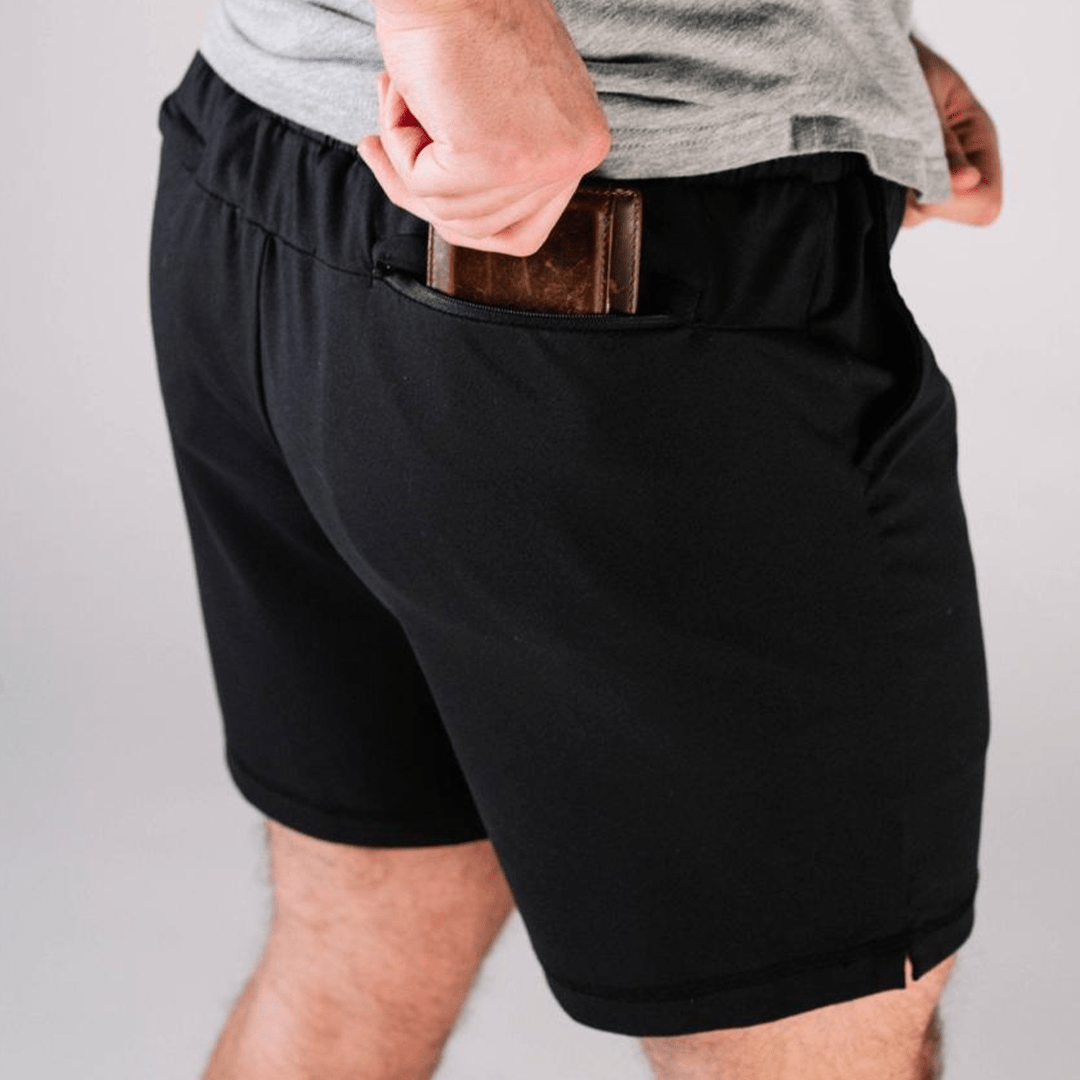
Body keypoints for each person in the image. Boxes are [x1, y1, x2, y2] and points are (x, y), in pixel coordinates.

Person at [148, 0, 1002, 1077]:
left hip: (267, 162)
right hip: (596, 258)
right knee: (814, 1038)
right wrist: (466, 22)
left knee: (350, 965)